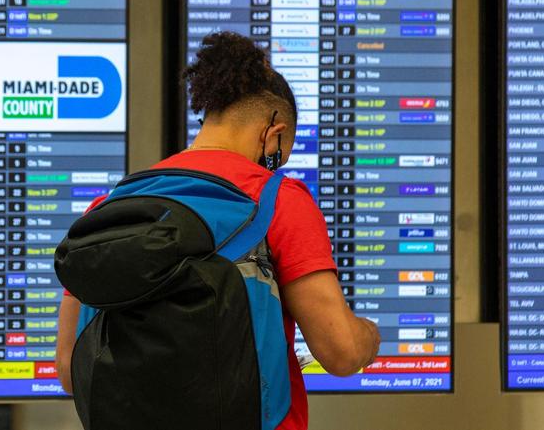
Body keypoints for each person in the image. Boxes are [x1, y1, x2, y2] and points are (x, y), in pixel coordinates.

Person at [55, 31, 381, 430]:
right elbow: (341, 352)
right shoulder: (277, 199)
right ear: (273, 132)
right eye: (280, 156)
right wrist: (368, 336)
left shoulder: (108, 209)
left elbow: (70, 371)